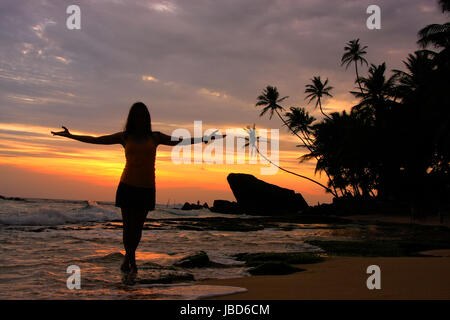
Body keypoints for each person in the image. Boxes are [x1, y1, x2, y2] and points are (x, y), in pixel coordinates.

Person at [51, 102, 224, 280]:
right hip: (127, 186)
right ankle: (131, 259)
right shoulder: (125, 137)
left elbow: (181, 141)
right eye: (137, 116)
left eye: (143, 116)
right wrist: (70, 136)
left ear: (147, 118)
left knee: (138, 228)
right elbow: (97, 139)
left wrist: (205, 138)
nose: (140, 119)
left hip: (147, 187)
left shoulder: (155, 137)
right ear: (132, 118)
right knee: (128, 227)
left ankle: (129, 257)